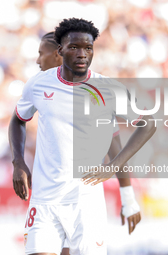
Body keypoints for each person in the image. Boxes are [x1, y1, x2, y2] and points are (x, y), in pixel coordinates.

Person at [9, 18, 156, 255]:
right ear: (61, 50)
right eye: (74, 47)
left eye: (88, 48)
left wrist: (115, 171)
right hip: (45, 200)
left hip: (86, 203)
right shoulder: (38, 84)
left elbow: (147, 124)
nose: (82, 54)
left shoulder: (107, 89)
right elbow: (18, 119)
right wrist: (18, 162)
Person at [36, 32, 142, 255]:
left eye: (40, 54)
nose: (37, 60)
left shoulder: (96, 92)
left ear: (58, 54)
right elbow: (18, 120)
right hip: (49, 198)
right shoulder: (40, 88)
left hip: (83, 200)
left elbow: (114, 144)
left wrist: (128, 198)